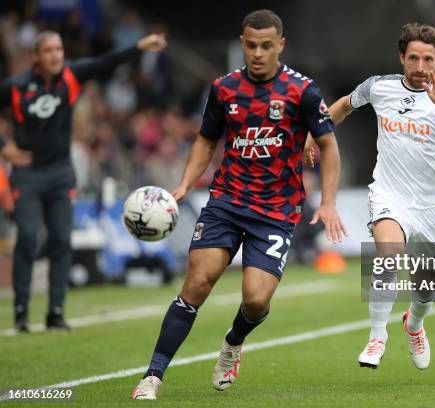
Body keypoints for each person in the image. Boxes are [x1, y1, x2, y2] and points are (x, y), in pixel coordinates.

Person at [131, 9, 345, 400]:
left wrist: (328, 202)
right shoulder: (224, 88)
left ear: (280, 45)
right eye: (251, 45)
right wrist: (184, 184)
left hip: (277, 212)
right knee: (197, 283)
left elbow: (329, 145)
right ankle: (153, 375)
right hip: (227, 201)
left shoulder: (302, 91)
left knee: (256, 299)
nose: (258, 53)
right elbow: (205, 140)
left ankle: (233, 343)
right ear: (242, 44)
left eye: (266, 46)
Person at [305, 23, 435, 370]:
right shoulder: (379, 87)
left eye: (427, 59)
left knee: (426, 286)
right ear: (401, 57)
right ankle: (376, 336)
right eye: (413, 57)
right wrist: (316, 135)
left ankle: (414, 325)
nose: (419, 66)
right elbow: (343, 104)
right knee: (387, 253)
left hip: (433, 205)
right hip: (389, 194)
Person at [0, 30, 167, 332]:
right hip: (28, 174)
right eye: (48, 50)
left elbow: (107, 61)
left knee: (62, 239)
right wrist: (4, 146)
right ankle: (21, 311)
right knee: (26, 237)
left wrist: (140, 46)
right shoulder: (16, 87)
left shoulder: (71, 77)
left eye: (59, 49)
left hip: (62, 173)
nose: (56, 55)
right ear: (36, 56)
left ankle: (55, 312)